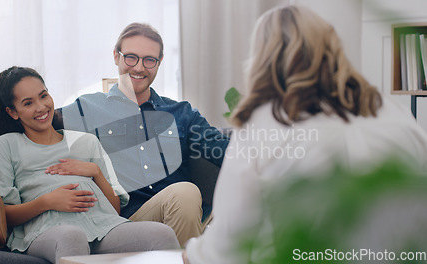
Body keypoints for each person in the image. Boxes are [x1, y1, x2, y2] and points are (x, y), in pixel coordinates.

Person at [183, 5, 427, 264]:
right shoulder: (396, 114)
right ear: (333, 49)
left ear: (262, 59)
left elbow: (227, 248)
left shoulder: (265, 122)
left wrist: (193, 254)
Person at [0, 66, 179, 264]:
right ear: (13, 112)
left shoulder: (87, 141)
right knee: (72, 237)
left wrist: (95, 172)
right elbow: (1, 214)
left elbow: (114, 209)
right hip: (45, 232)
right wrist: (47, 202)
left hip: (103, 226)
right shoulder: (7, 144)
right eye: (28, 103)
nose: (41, 107)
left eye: (43, 96)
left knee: (162, 234)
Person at [60, 23, 229, 246]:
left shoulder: (182, 113)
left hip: (181, 214)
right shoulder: (86, 109)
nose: (139, 68)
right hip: (123, 222)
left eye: (149, 60)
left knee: (187, 195)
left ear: (159, 63)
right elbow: (34, 119)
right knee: (185, 192)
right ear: (116, 57)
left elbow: (229, 152)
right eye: (131, 57)